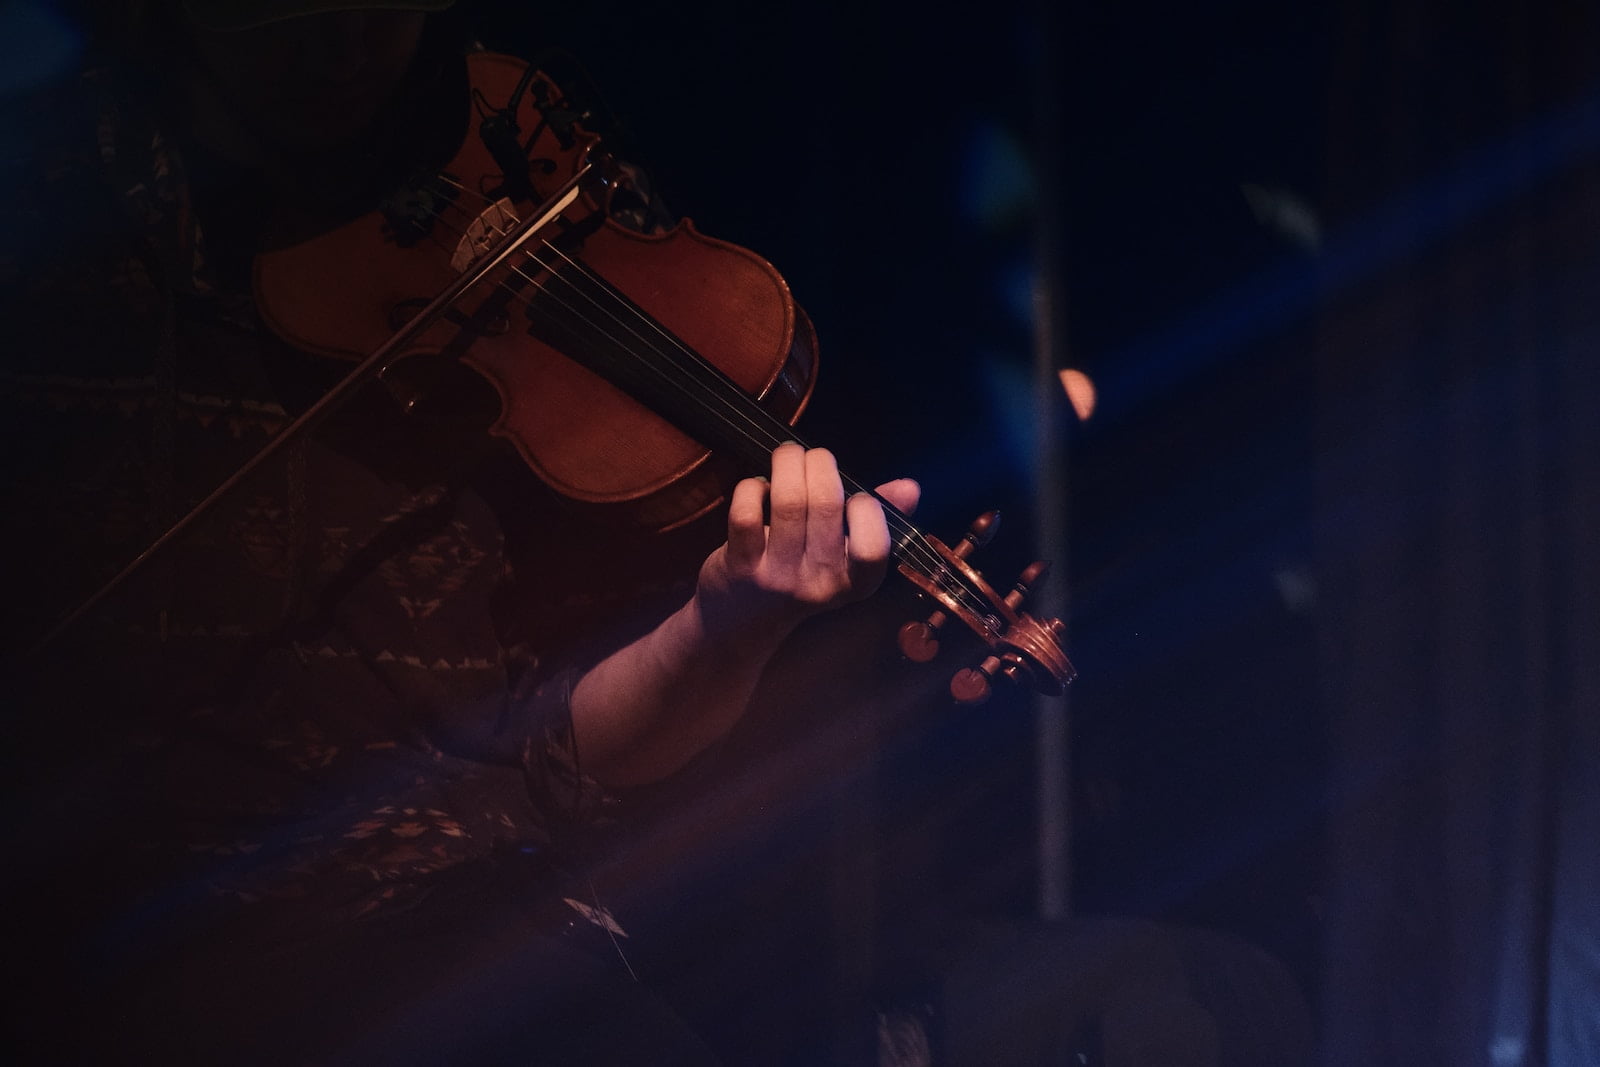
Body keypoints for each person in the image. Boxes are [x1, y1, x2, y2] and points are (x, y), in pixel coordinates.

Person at [0, 2, 919, 1062]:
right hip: (89, 934)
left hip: (443, 917)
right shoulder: (44, 213)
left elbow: (564, 754)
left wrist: (727, 627)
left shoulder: (529, 170)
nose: (341, 46)